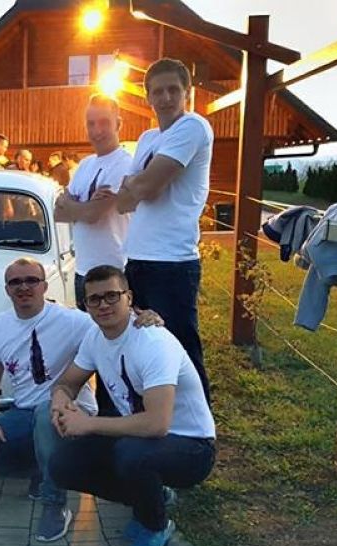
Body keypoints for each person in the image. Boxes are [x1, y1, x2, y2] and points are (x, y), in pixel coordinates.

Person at [0, 259, 162, 543]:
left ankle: (54, 504)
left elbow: (115, 318)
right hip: (23, 412)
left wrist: (146, 316)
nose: (24, 287)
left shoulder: (72, 321)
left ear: (44, 286)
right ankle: (43, 468)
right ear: (7, 290)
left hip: (71, 411)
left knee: (45, 415)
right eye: (15, 282)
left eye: (31, 280)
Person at [40, 265, 215, 546]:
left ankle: (155, 525)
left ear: (129, 298)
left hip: (192, 446)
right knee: (63, 464)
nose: (103, 305)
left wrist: (88, 424)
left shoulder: (152, 343)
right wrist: (60, 400)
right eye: (94, 299)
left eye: (112, 296)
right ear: (86, 305)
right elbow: (67, 382)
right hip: (142, 438)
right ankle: (151, 495)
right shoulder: (96, 337)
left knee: (130, 453)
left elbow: (157, 424)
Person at [115, 57, 214, 402]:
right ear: (148, 98)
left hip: (172, 263)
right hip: (138, 259)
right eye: (158, 91)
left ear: (188, 92)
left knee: (180, 351)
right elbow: (124, 202)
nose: (166, 97)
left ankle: (199, 425)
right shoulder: (148, 138)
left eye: (174, 89)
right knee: (144, 349)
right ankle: (155, 418)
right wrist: (139, 186)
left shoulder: (193, 127)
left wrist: (138, 184)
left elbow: (144, 188)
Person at [55, 95, 132, 310]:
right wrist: (86, 206)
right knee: (87, 330)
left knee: (113, 330)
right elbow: (58, 213)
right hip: (82, 272)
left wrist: (74, 206)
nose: (97, 130)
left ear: (118, 124)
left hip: (112, 273)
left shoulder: (124, 164)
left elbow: (93, 215)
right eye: (91, 123)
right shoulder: (85, 165)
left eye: (104, 122)